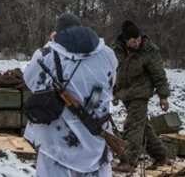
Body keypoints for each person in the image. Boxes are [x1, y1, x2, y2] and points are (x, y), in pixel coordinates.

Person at [24, 13, 118, 177]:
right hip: (96, 136)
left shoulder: (48, 54)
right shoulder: (107, 54)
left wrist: (51, 43)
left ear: (58, 32)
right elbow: (109, 84)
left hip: (58, 140)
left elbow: (31, 81)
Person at [112, 20, 170, 173]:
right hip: (125, 93)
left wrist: (163, 96)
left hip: (141, 93)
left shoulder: (149, 50)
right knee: (143, 127)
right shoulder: (117, 50)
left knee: (133, 125)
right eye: (133, 40)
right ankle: (161, 155)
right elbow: (114, 72)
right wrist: (114, 91)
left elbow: (159, 74)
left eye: (138, 39)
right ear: (126, 40)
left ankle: (129, 161)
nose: (136, 42)